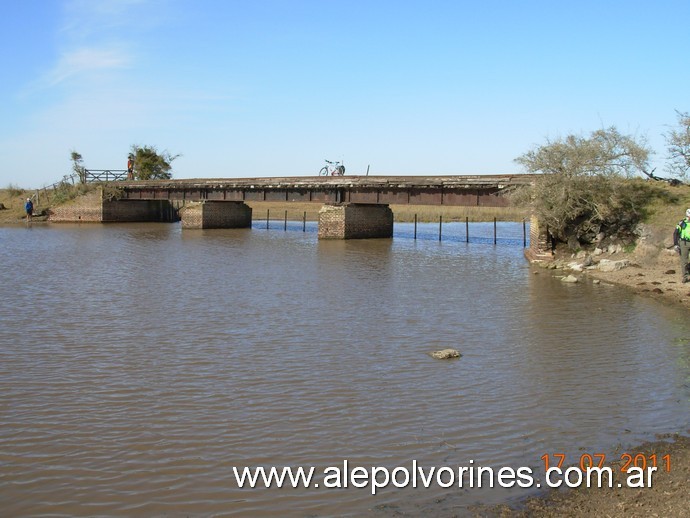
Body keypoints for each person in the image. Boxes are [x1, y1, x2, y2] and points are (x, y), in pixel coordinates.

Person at [673, 208, 690, 283]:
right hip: (684, 243)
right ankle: (685, 277)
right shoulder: (682, 223)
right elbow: (675, 233)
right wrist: (676, 244)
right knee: (684, 261)